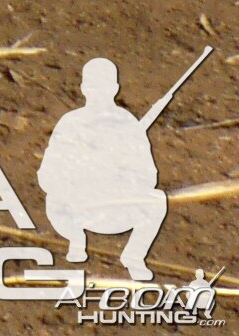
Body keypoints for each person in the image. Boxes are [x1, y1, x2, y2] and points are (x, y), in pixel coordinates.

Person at [43, 56, 176, 284]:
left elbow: (148, 175)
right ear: (84, 88)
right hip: (78, 206)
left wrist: (121, 174)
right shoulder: (70, 122)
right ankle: (76, 240)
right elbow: (49, 172)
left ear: (114, 88)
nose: (99, 93)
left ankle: (134, 256)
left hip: (116, 207)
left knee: (157, 199)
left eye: (104, 87)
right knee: (54, 199)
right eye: (94, 87)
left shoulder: (127, 123)